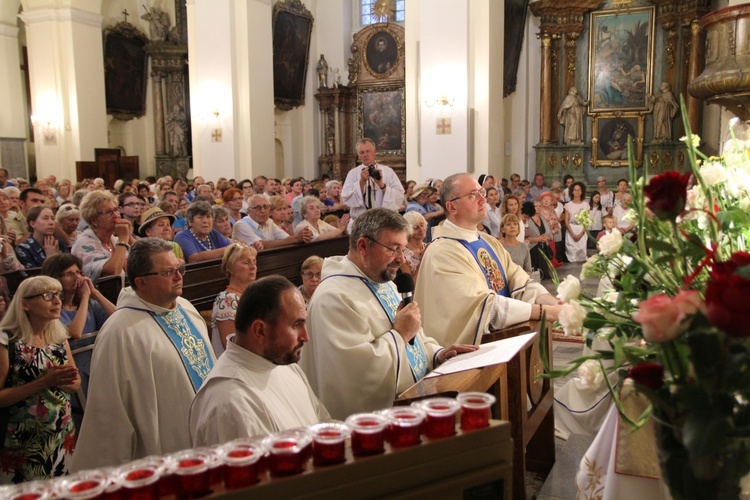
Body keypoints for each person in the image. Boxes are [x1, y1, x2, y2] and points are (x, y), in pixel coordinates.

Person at [300, 208, 477, 419]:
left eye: (402, 249)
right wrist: (400, 334)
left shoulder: (381, 281)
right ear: (363, 246)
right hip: (369, 430)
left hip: (415, 405)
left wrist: (438, 354)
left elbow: (413, 341)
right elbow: (357, 376)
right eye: (393, 249)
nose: (401, 259)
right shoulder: (334, 298)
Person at [71, 238, 215, 471]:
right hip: (166, 455)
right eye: (168, 272)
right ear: (141, 282)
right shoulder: (120, 332)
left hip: (209, 435)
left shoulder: (186, 308)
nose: (179, 276)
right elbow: (109, 414)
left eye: (180, 268)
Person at [414, 174, 561, 347]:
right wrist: (544, 312)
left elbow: (518, 278)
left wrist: (552, 302)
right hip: (464, 358)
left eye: (481, 192)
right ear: (452, 207)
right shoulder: (443, 252)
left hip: (500, 345)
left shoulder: (488, 241)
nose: (482, 199)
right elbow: (482, 307)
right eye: (473, 195)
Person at [190, 276, 329, 446]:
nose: (305, 337)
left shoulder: (284, 364)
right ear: (260, 331)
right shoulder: (229, 402)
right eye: (296, 325)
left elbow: (322, 425)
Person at [0, 276, 80, 483]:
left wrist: (63, 380)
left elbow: (75, 384)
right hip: (23, 443)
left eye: (58, 295)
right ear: (25, 304)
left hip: (61, 435)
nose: (57, 301)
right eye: (47, 295)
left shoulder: (59, 336)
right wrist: (44, 382)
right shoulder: (7, 340)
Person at [41, 254, 115, 405]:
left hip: (98, 367)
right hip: (75, 373)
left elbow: (118, 318)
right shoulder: (51, 310)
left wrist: (94, 293)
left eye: (79, 272)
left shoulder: (89, 304)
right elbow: (74, 333)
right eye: (69, 274)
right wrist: (85, 297)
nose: (77, 277)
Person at [71, 191, 133, 280]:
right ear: (93, 220)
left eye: (116, 210)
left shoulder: (114, 240)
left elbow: (146, 261)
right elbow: (113, 272)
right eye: (109, 212)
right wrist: (123, 239)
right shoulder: (84, 243)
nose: (116, 215)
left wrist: (129, 237)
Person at [342, 138, 405, 222]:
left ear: (374, 152)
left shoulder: (388, 171)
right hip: (361, 221)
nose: (365, 154)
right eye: (362, 152)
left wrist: (382, 185)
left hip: (384, 220)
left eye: (368, 151)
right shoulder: (353, 173)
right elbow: (347, 197)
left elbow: (399, 195)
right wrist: (361, 182)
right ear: (358, 155)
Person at [212, 242, 258, 357]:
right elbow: (231, 346)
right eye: (246, 262)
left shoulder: (254, 295)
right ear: (230, 269)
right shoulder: (227, 300)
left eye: (254, 262)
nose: (253, 267)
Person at [233, 194, 312, 250]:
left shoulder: (269, 222)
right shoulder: (241, 225)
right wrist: (297, 239)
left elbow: (286, 238)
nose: (263, 211)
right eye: (258, 208)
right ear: (249, 211)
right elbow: (263, 245)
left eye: (266, 206)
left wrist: (304, 236)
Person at [523, 202, 555, 279]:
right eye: (535, 206)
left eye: (540, 206)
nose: (538, 208)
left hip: (544, 249)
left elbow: (551, 235)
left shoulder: (543, 219)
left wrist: (546, 237)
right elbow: (525, 238)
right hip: (533, 250)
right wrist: (538, 239)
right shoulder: (527, 220)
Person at [564, 182, 590, 263]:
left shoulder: (586, 205)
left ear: (582, 191)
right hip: (571, 229)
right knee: (572, 255)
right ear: (572, 192)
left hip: (581, 229)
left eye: (579, 190)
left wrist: (581, 234)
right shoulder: (568, 205)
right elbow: (566, 221)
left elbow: (587, 221)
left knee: (581, 256)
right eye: (575, 190)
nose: (577, 192)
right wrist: (573, 234)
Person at [400, 211, 429, 281]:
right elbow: (412, 285)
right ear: (408, 230)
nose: (421, 229)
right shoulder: (402, 254)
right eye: (416, 227)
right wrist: (423, 259)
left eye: (422, 225)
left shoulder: (428, 247)